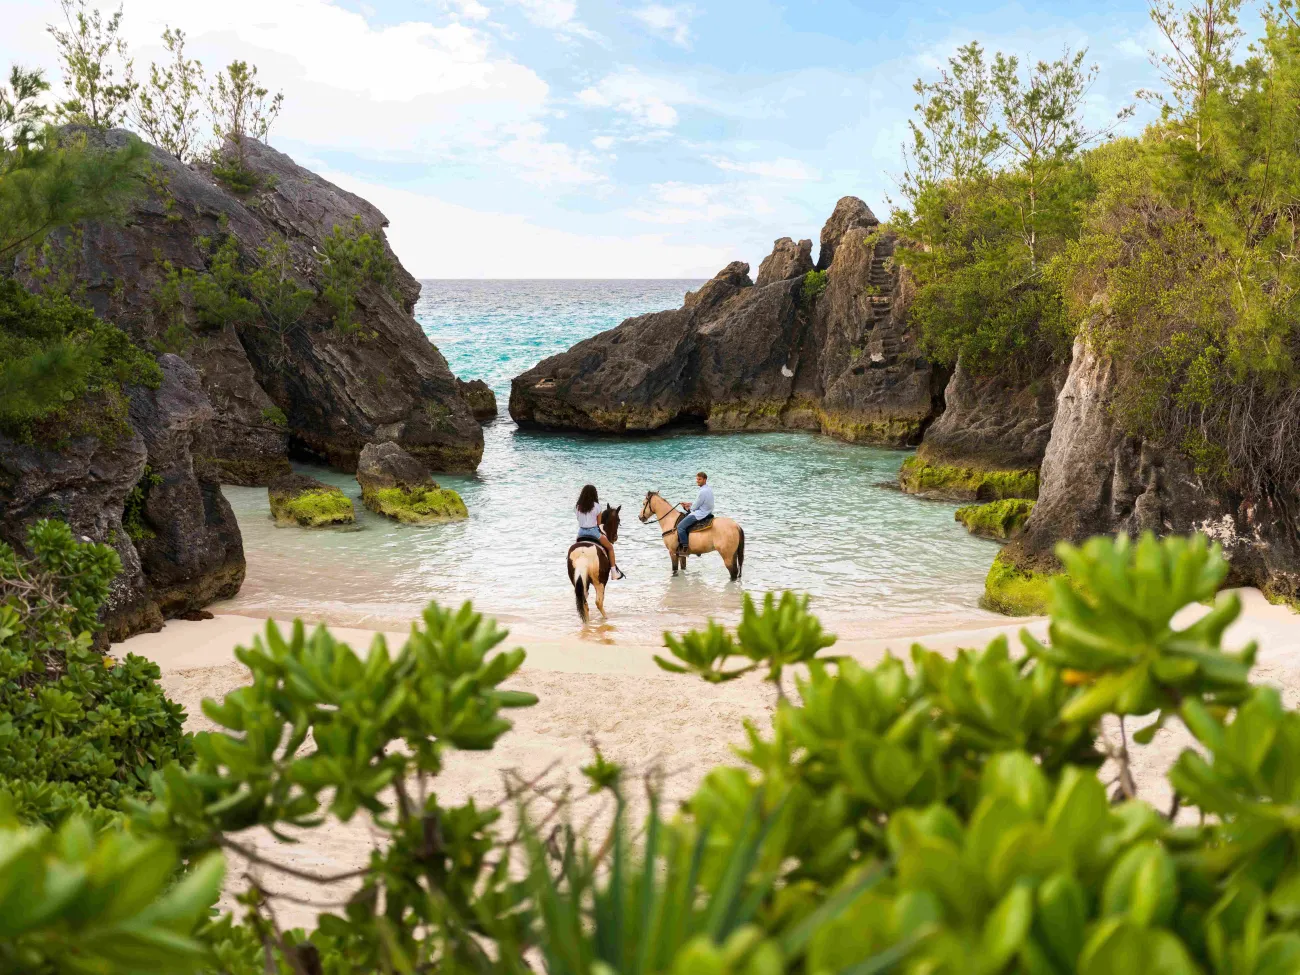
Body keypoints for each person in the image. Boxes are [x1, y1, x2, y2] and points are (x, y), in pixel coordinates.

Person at [575, 484, 624, 579]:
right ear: (595, 494)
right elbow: (598, 523)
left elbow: (578, 519)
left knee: (576, 547)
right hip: (593, 532)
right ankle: (614, 573)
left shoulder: (577, 506)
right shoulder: (597, 506)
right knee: (610, 548)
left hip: (580, 533)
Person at [676, 471, 714, 556]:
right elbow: (700, 503)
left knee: (680, 527)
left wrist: (687, 507)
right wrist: (689, 504)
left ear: (705, 479)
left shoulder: (702, 491)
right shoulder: (709, 489)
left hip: (701, 513)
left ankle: (685, 548)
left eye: (699, 479)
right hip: (708, 512)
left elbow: (695, 507)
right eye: (697, 479)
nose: (697, 481)